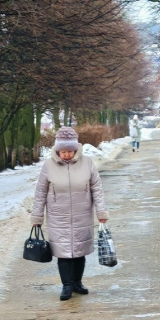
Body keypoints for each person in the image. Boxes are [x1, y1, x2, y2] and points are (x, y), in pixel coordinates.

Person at [31, 126, 108, 301]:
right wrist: (37, 217)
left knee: (79, 251)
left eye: (70, 151)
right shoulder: (48, 165)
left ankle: (77, 282)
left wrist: (101, 212)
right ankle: (66, 285)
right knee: (63, 252)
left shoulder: (87, 163)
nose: (66, 155)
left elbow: (97, 188)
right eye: (63, 151)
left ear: (76, 150)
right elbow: (40, 192)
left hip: (82, 215)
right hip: (58, 216)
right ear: (57, 150)